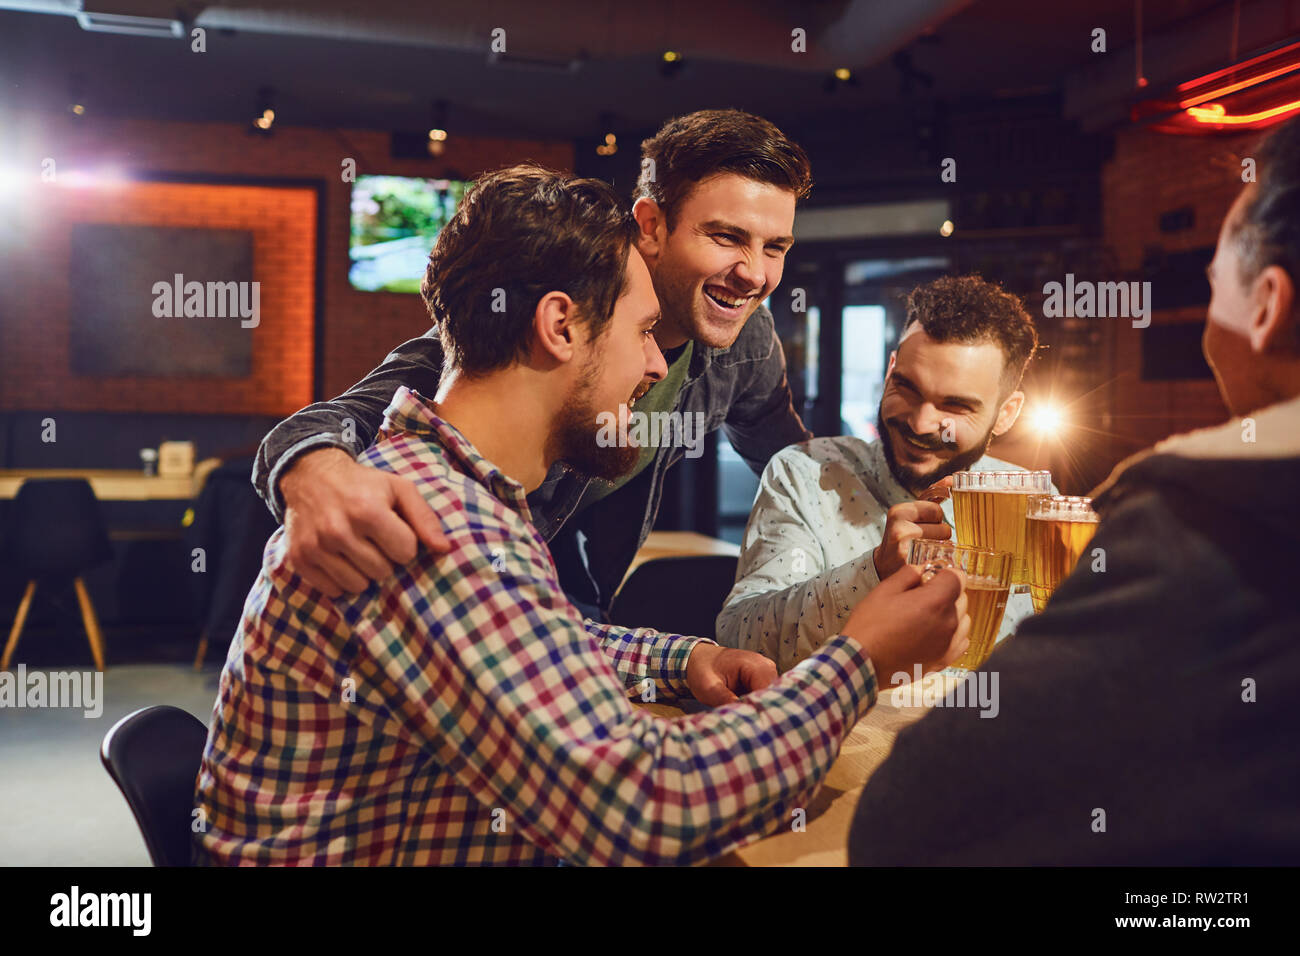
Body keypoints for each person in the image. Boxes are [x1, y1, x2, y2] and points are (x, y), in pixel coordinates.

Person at [194, 165, 971, 866]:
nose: (658, 366)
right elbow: (647, 809)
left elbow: (526, 633)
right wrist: (860, 661)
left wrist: (679, 659)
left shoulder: (463, 490)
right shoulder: (433, 528)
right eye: (641, 332)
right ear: (560, 325)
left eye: (775, 245)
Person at [849, 116, 1300, 865]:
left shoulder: (1197, 521)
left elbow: (912, 819)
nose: (927, 421)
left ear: (1266, 305)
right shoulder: (809, 471)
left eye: (1223, 256)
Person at [252, 109, 815, 619]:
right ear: (651, 224)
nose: (755, 274)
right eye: (725, 237)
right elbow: (331, 422)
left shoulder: (746, 339)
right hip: (486, 584)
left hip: (572, 603)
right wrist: (317, 477)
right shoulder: (556, 295)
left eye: (776, 248)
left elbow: (794, 464)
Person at [717, 275, 1051, 672]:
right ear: (891, 368)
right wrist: (874, 570)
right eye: (907, 387)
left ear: (1007, 413)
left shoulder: (1030, 500)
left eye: (956, 406)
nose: (923, 422)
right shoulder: (805, 474)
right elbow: (742, 638)